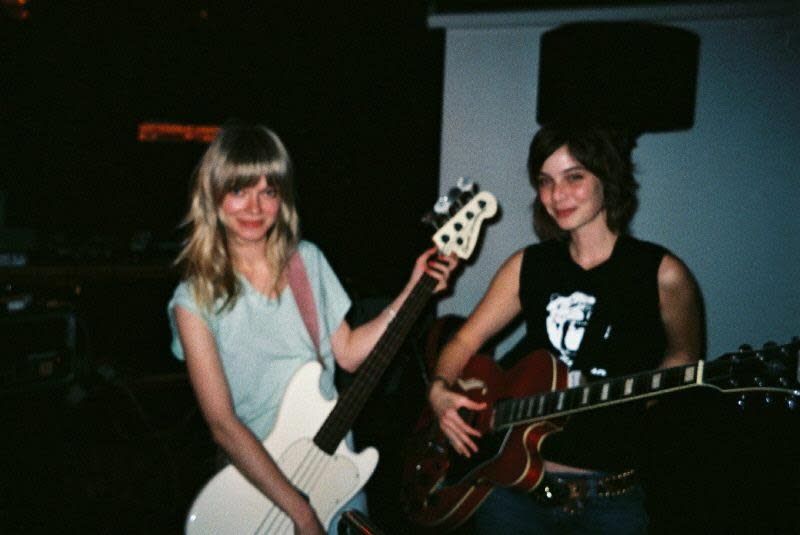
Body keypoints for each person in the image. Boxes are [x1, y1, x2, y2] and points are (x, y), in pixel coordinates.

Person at [168, 122, 457, 535]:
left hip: (334, 459)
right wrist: (299, 511)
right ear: (212, 197)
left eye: (268, 191)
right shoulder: (192, 299)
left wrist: (413, 290)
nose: (255, 207)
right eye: (238, 191)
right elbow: (222, 424)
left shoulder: (306, 261)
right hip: (257, 482)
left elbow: (350, 353)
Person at [427, 123, 703, 534]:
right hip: (512, 493)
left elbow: (684, 356)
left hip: (611, 499)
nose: (557, 195)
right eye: (545, 181)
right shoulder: (529, 266)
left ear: (606, 179)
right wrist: (439, 389)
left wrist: (637, 401)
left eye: (574, 177)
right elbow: (465, 339)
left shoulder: (663, 273)